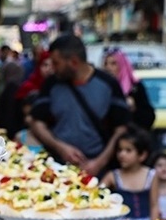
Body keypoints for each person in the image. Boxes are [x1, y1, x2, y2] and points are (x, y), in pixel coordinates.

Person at [27, 34, 131, 175]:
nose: (53, 68)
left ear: (74, 62)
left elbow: (121, 129)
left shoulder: (109, 84)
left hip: (98, 170)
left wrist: (99, 162)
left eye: (56, 63)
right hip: (57, 166)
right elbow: (36, 123)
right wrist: (60, 147)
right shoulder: (51, 84)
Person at [103, 126, 155, 220]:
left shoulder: (151, 175)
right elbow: (98, 194)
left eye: (128, 150)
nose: (122, 154)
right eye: (120, 150)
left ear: (142, 155)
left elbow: (154, 205)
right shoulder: (113, 176)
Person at [102, 48, 155, 130]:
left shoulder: (135, 88)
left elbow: (148, 118)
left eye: (113, 64)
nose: (108, 68)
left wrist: (134, 109)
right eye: (106, 64)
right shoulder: (101, 86)